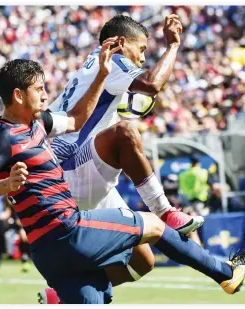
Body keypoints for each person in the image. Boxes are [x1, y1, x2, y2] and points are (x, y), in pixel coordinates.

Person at [0, 41, 245, 304]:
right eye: (39, 89)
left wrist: (103, 76)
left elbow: (77, 118)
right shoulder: (2, 135)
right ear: (18, 96)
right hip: (67, 232)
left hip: (50, 255)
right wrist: (7, 184)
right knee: (154, 226)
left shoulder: (39, 122)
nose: (45, 95)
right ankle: (226, 272)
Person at [46, 14, 204, 288]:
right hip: (71, 168)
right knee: (126, 132)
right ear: (120, 42)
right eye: (141, 49)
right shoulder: (114, 60)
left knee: (142, 261)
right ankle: (164, 210)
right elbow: (152, 84)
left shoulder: (93, 63)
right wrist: (173, 46)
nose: (143, 58)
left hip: (67, 168)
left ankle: (61, 294)